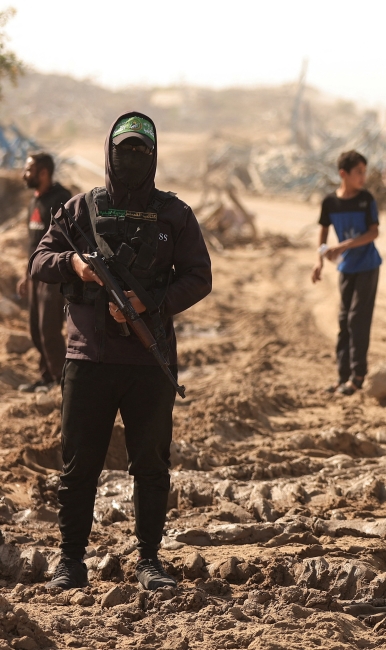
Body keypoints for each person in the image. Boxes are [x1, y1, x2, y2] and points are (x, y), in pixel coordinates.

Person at [29, 112, 212, 591]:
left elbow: (199, 276)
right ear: (109, 151)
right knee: (78, 466)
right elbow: (40, 261)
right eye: (124, 149)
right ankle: (71, 563)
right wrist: (75, 264)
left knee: (151, 466)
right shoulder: (79, 210)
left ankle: (150, 561)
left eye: (141, 150)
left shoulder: (175, 214)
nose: (131, 158)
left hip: (149, 364)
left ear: (153, 156)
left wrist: (149, 302)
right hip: (88, 360)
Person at [311, 150, 381, 396]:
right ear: (343, 174)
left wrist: (343, 245)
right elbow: (323, 231)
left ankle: (358, 377)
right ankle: (342, 377)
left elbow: (374, 233)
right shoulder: (330, 202)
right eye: (358, 172)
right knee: (343, 320)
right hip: (346, 268)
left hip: (368, 266)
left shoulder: (366, 200)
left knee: (357, 319)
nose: (363, 177)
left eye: (364, 172)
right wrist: (319, 260)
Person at [16, 153, 72, 393]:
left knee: (49, 329)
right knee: (36, 329)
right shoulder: (33, 202)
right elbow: (33, 244)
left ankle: (61, 381)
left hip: (53, 275)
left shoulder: (62, 199)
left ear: (43, 173)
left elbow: (69, 240)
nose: (23, 174)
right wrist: (26, 275)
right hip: (35, 275)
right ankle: (47, 375)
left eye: (29, 170)